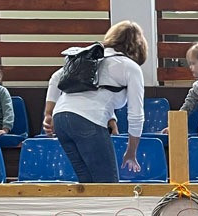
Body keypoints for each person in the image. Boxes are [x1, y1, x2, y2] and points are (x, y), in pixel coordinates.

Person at [43, 20, 146, 183]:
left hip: (61, 119)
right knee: (108, 186)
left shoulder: (90, 57)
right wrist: (131, 151)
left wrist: (49, 114)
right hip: (88, 121)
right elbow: (136, 115)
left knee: (88, 183)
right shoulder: (130, 67)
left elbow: (56, 78)